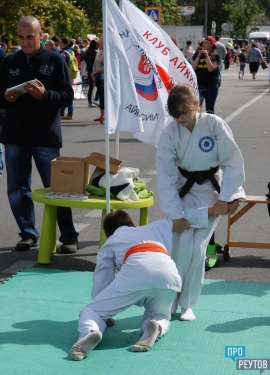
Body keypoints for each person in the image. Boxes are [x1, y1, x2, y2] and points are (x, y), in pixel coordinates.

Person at [71, 206, 216, 360]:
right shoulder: (157, 226)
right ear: (133, 225)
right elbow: (182, 216)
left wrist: (104, 314)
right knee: (160, 315)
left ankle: (90, 332)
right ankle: (156, 326)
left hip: (136, 272)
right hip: (168, 274)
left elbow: (103, 276)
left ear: (107, 235)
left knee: (91, 311)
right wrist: (213, 209)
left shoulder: (112, 241)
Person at [156, 83, 245, 321]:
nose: (179, 118)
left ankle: (187, 304)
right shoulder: (169, 132)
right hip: (183, 193)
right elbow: (165, 176)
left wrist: (226, 198)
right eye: (175, 115)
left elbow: (232, 161)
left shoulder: (214, 124)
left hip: (212, 192)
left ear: (195, 105)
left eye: (183, 112)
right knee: (178, 248)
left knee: (197, 248)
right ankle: (172, 298)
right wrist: (175, 214)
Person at [0, 16, 79, 252]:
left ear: (40, 34)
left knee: (58, 188)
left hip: (45, 137)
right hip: (15, 136)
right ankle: (28, 233)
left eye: (30, 37)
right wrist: (5, 97)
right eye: (21, 37)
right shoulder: (9, 61)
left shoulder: (55, 59)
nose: (25, 42)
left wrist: (45, 95)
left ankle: (68, 236)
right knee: (17, 188)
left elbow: (67, 96)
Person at [191, 36, 220, 114]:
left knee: (209, 110)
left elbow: (211, 68)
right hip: (199, 84)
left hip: (211, 85)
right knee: (197, 109)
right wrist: (199, 55)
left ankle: (209, 125)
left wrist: (207, 56)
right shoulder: (197, 53)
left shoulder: (215, 56)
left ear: (211, 45)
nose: (204, 44)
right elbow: (193, 67)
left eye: (206, 43)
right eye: (203, 43)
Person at [59, 37, 75, 119]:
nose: (59, 45)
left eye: (61, 43)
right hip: (71, 74)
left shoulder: (64, 53)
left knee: (65, 93)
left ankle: (66, 113)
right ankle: (67, 113)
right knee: (68, 92)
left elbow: (62, 66)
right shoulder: (71, 51)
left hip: (65, 75)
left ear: (65, 44)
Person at [91, 37, 104, 123]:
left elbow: (105, 66)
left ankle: (105, 115)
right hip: (98, 77)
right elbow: (95, 64)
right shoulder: (98, 52)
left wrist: (96, 72)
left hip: (103, 77)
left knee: (104, 97)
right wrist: (93, 74)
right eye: (100, 42)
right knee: (101, 96)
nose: (100, 44)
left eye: (102, 43)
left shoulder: (108, 53)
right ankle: (102, 115)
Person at [84, 40, 99, 107]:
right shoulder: (95, 52)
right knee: (98, 86)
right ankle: (95, 99)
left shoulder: (87, 51)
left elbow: (85, 60)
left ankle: (89, 102)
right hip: (94, 70)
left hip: (89, 69)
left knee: (91, 87)